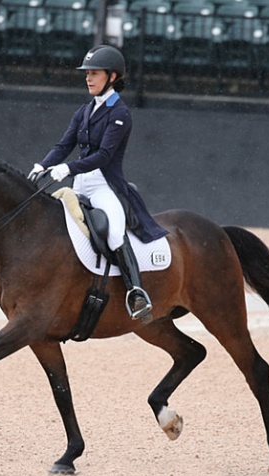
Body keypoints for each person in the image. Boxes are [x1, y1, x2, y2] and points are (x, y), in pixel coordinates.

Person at [28, 45, 168, 321]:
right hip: (81, 181)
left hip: (105, 184)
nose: (88, 78)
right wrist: (43, 164)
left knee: (115, 232)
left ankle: (136, 292)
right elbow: (64, 144)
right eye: (87, 74)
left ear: (112, 77)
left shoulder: (120, 113)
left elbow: (104, 156)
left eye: (94, 73)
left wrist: (66, 168)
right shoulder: (84, 111)